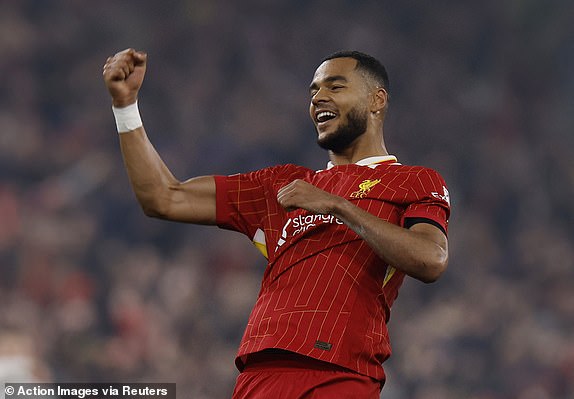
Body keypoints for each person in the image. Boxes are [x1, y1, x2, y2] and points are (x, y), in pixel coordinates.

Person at [102, 48, 451, 398]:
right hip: (259, 375)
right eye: (313, 90)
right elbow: (165, 197)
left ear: (377, 100)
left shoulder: (413, 181)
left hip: (339, 374)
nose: (318, 98)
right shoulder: (282, 186)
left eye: (335, 86)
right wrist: (125, 108)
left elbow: (430, 258)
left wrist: (337, 205)